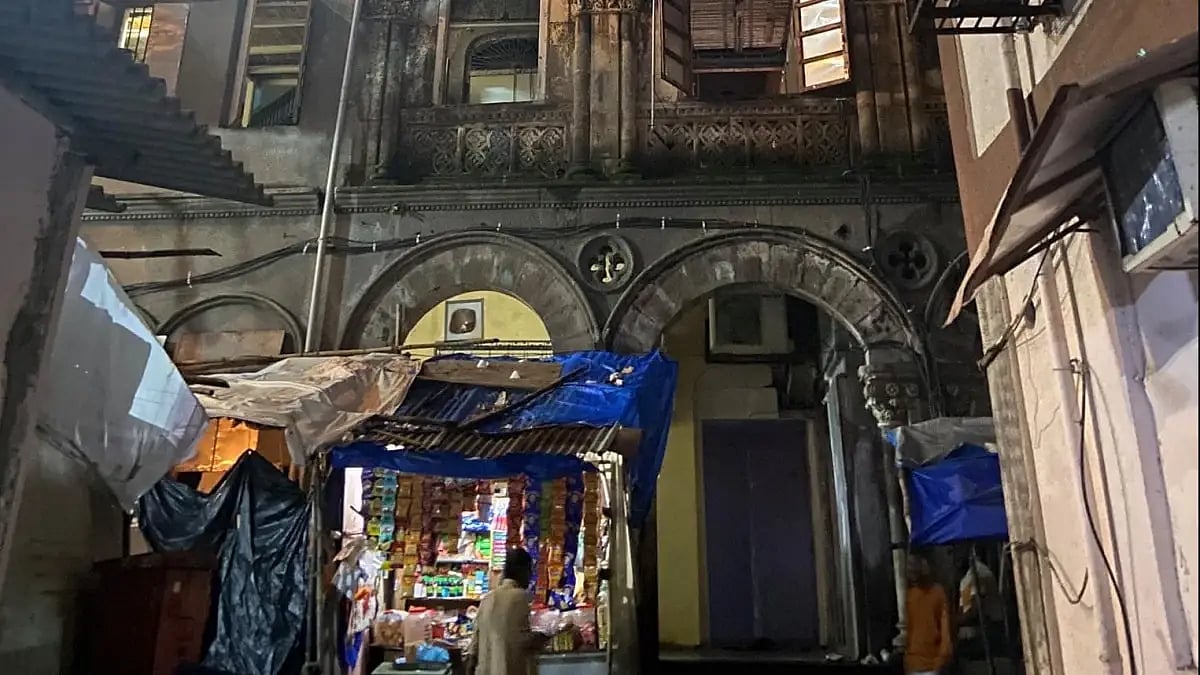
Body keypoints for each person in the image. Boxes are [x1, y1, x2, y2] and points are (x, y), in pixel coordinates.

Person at [467, 548, 549, 675]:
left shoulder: (487, 598)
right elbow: (520, 639)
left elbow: (473, 648)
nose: (530, 577)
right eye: (529, 571)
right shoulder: (520, 597)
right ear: (522, 571)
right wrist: (542, 637)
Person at [905, 553, 952, 675]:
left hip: (931, 664)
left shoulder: (937, 593)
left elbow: (945, 630)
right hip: (916, 664)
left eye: (913, 564)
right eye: (908, 565)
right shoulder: (910, 595)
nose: (910, 569)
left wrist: (941, 660)